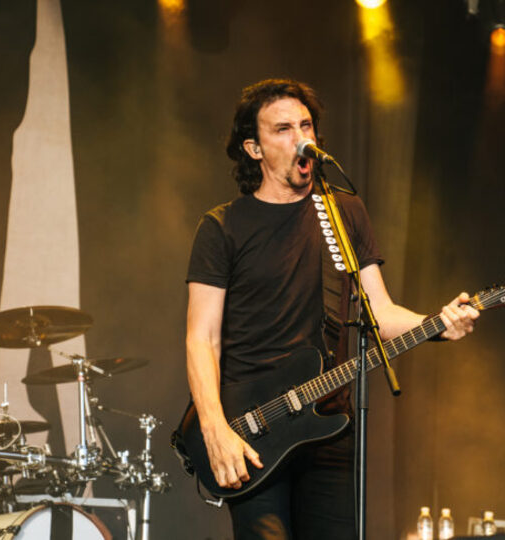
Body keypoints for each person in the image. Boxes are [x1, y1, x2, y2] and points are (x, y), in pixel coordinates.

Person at [184, 78, 479, 540]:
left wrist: (437, 323)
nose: (301, 137)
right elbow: (202, 338)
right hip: (254, 428)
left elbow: (379, 312)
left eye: (306, 125)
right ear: (253, 148)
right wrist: (215, 428)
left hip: (328, 424)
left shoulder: (343, 213)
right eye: (282, 129)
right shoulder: (223, 227)